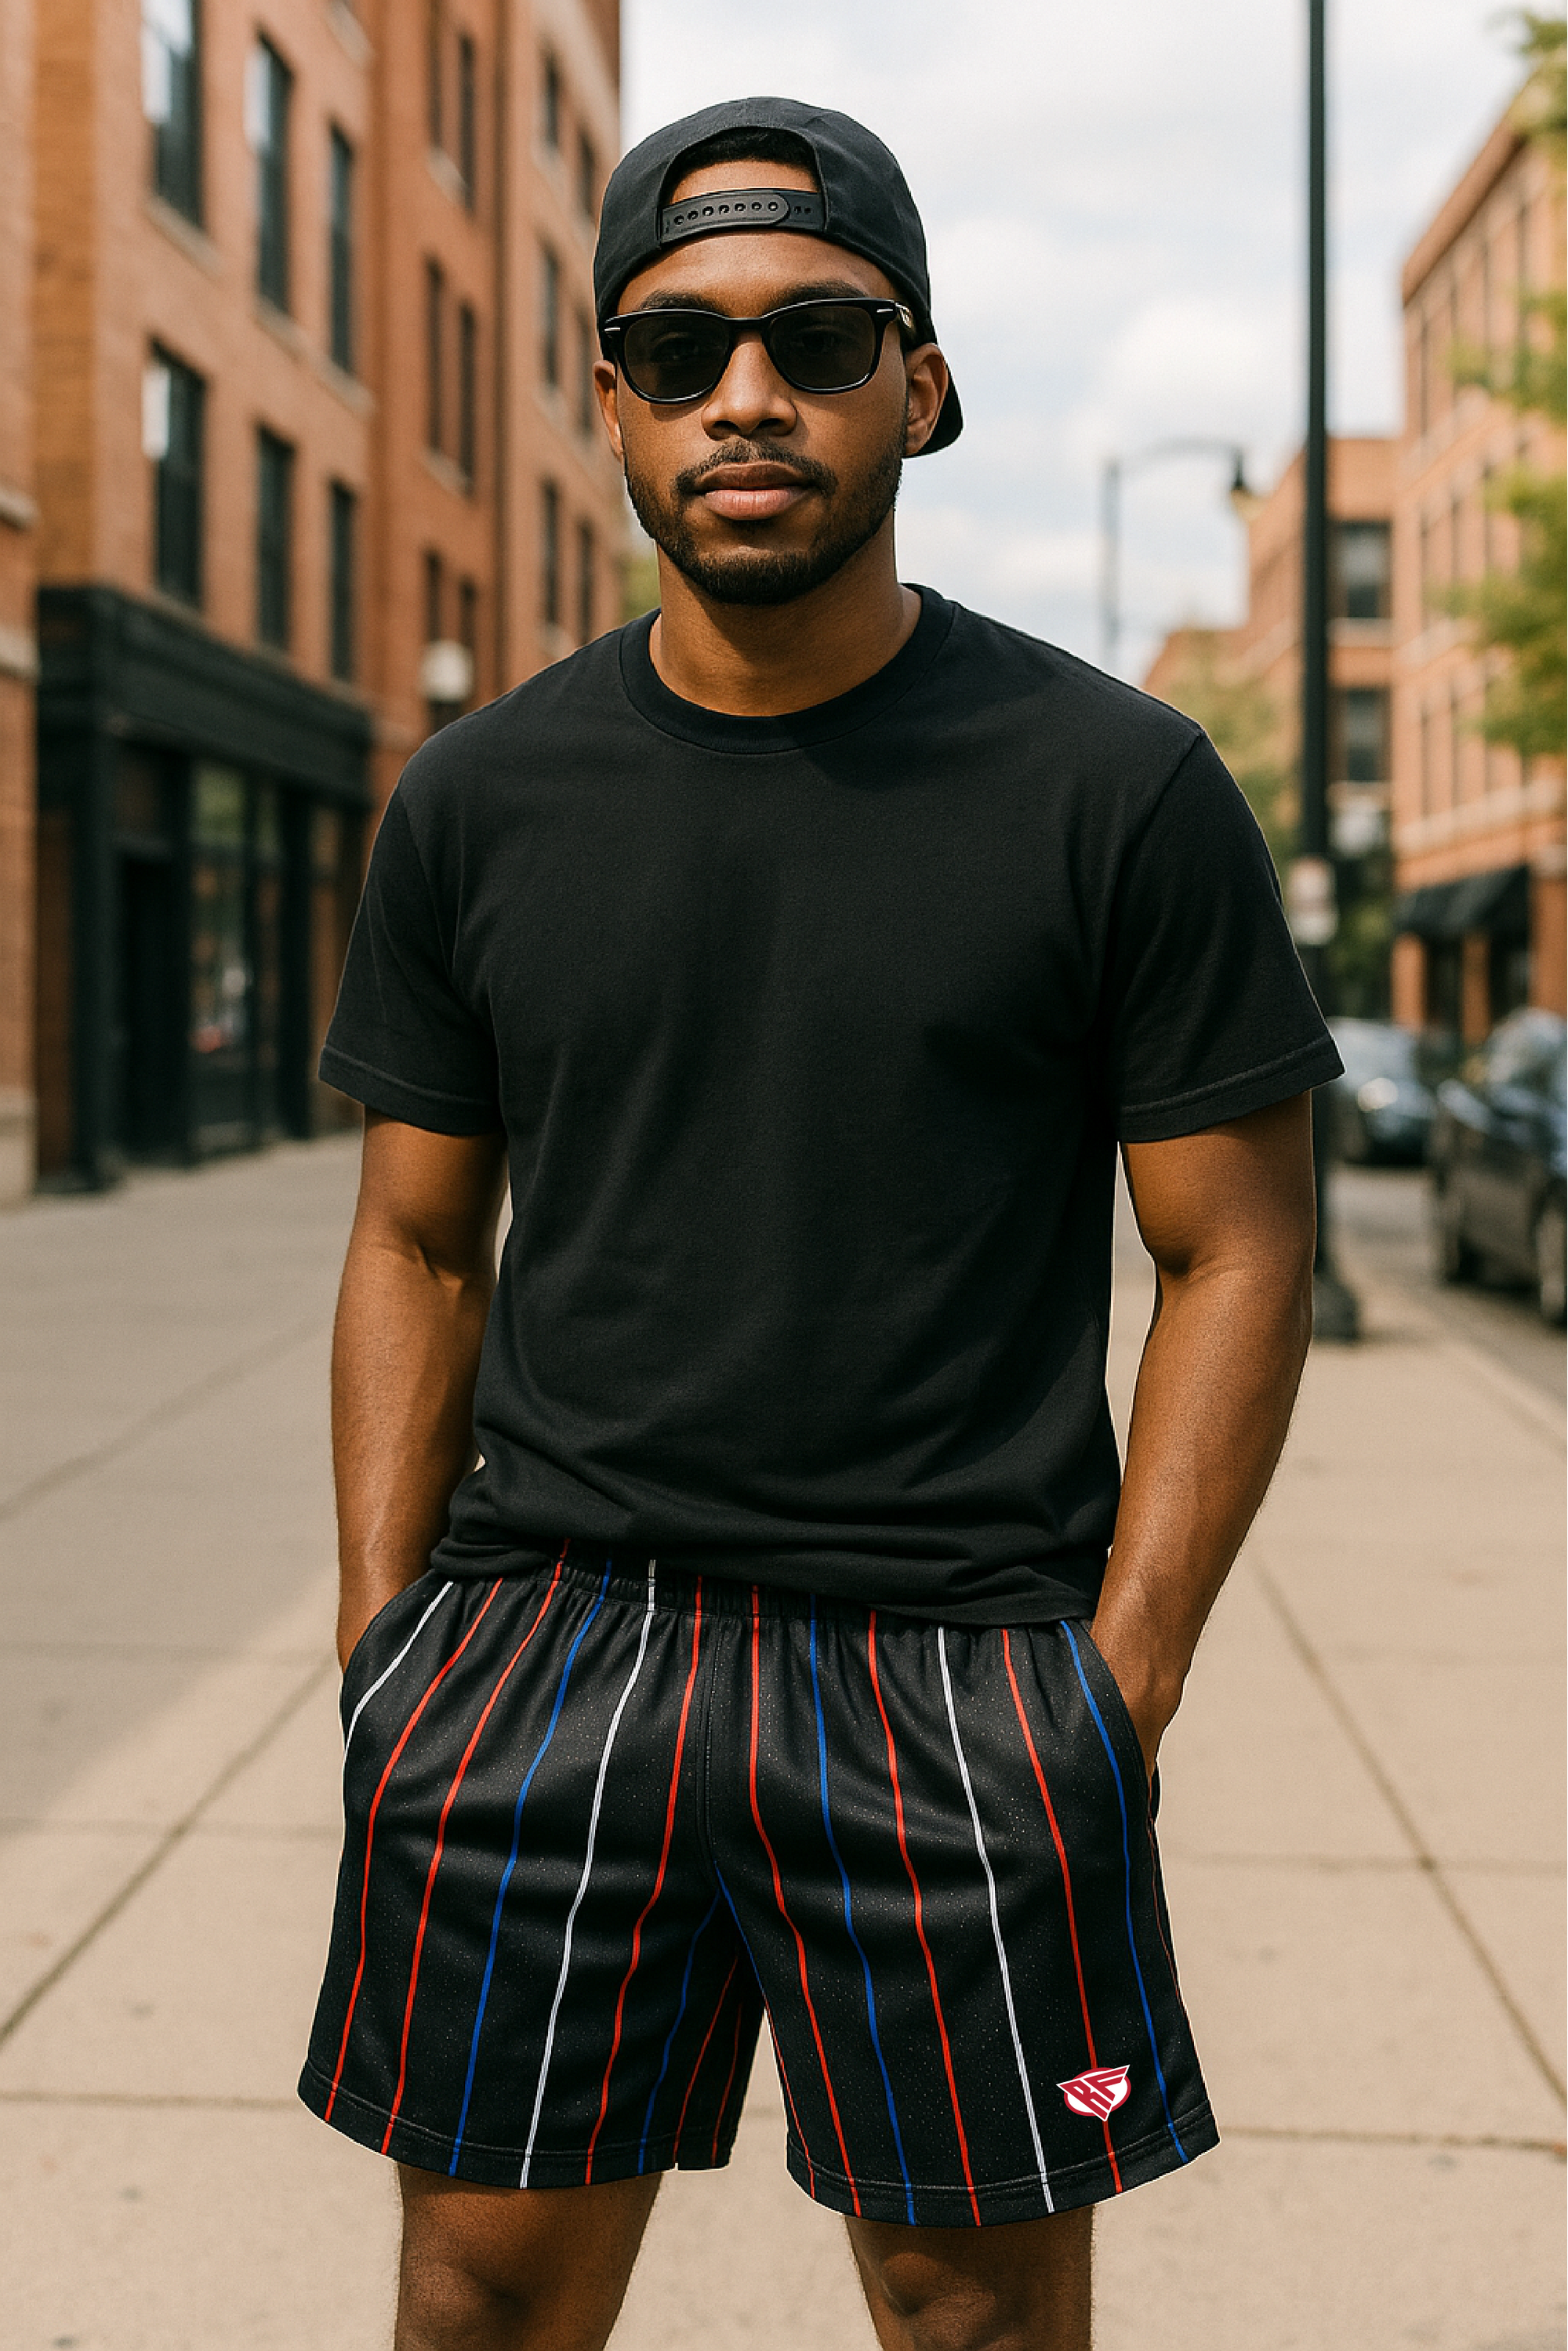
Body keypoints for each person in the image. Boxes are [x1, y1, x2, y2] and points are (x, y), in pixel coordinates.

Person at [299, 96, 1341, 2351]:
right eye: (676, 353)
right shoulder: (477, 799)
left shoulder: (1116, 787)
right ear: (610, 401)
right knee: (480, 2294)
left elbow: (1241, 1245)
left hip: (955, 1660)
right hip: (550, 1639)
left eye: (814, 337)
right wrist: (394, 1660)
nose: (742, 396)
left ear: (921, 384)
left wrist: (1119, 1678)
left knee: (972, 2308)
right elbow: (417, 1245)